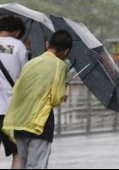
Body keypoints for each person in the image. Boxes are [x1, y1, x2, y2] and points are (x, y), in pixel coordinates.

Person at [2, 30, 72, 169]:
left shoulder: (31, 62)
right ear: (66, 51)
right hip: (40, 123)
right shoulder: (60, 65)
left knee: (23, 163)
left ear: (47, 44)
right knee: (37, 165)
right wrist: (63, 88)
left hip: (20, 121)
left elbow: (17, 89)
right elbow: (56, 99)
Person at [0, 15, 28, 169]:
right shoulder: (18, 46)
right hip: (10, 109)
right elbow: (25, 76)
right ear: (17, 32)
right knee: (17, 152)